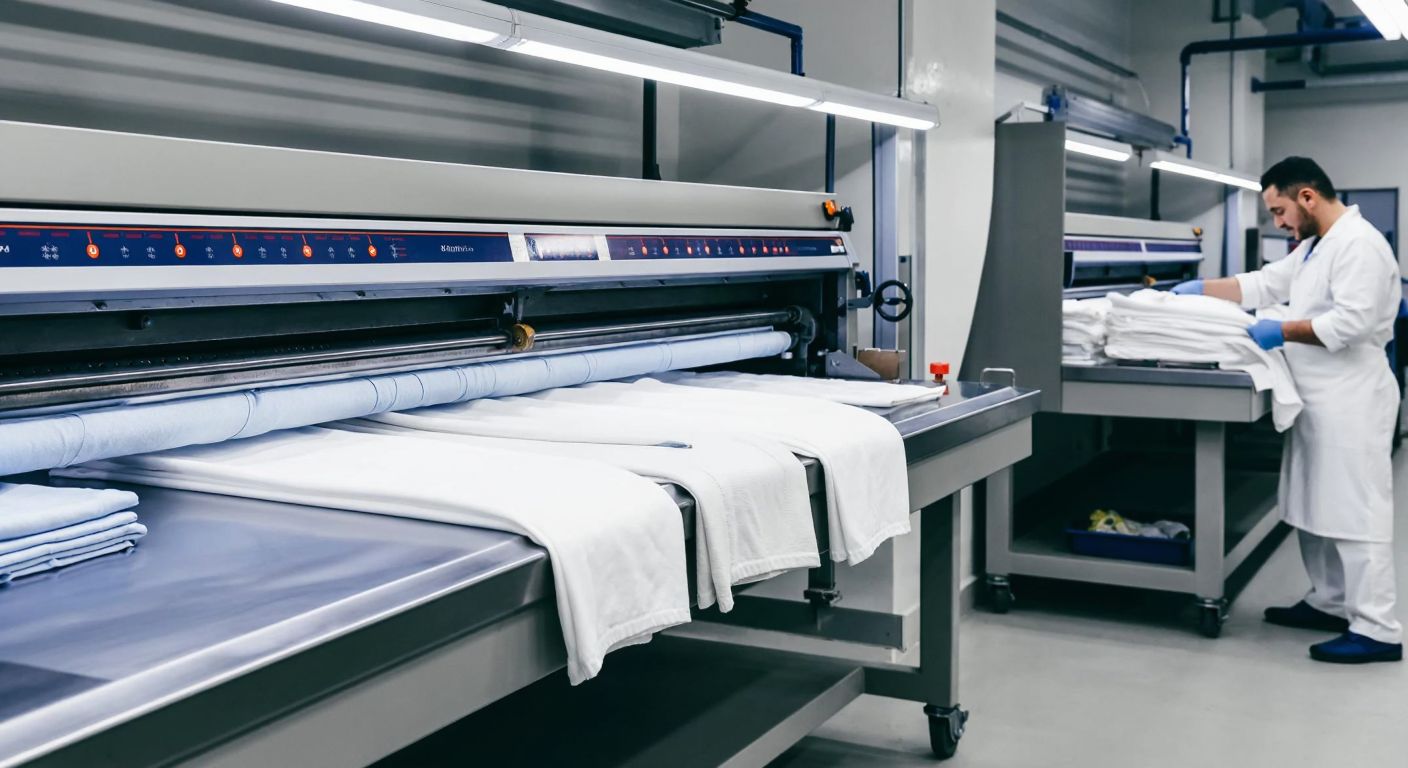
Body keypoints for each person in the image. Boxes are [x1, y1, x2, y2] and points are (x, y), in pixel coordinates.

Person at [1172, 157, 1403, 663]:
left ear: (1307, 198)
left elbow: (1352, 324)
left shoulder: (1359, 245)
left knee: (1355, 514)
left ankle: (1379, 628)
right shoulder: (1316, 248)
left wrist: (1281, 329)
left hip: (1352, 397)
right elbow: (1261, 286)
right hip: (1318, 398)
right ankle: (1330, 601)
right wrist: (1197, 292)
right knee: (1314, 507)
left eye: (1279, 211)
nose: (1277, 223)